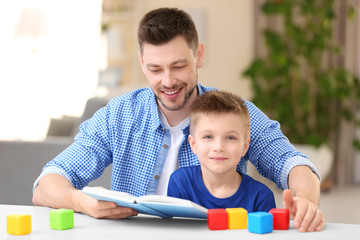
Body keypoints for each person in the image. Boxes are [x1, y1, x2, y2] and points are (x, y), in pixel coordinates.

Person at [32, 7, 324, 232]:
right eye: (156, 69)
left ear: (199, 55)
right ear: (142, 63)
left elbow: (291, 161)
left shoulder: (233, 112)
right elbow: (48, 182)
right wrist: (81, 202)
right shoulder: (117, 114)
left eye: (178, 66)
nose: (168, 81)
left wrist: (306, 200)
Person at [167, 90, 276, 212]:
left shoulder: (260, 197)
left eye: (230, 138)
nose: (218, 147)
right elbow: (176, 229)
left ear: (245, 147)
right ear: (193, 144)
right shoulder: (180, 183)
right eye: (208, 137)